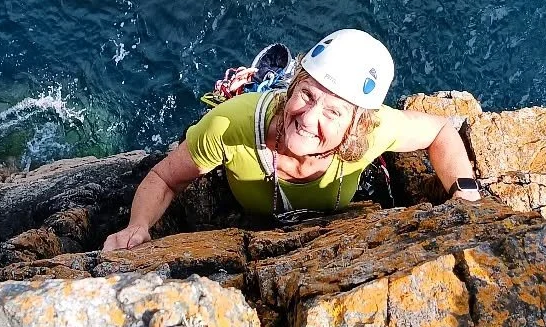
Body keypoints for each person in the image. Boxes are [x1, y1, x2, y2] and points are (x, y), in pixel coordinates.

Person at [102, 29, 481, 251]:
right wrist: (138, 226)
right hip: (250, 117)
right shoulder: (230, 126)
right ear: (294, 89)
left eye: (333, 112)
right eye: (307, 94)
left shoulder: (372, 131)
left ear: (356, 124)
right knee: (237, 108)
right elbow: (165, 178)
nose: (309, 118)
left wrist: (465, 195)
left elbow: (440, 130)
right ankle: (258, 85)